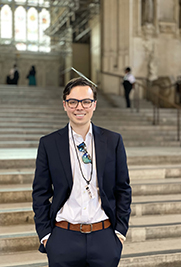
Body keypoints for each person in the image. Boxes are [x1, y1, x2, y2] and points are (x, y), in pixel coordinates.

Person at [32, 77, 132, 267]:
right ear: (65, 105)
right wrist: (46, 236)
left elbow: (123, 189)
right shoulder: (49, 144)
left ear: (94, 105)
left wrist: (119, 232)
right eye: (73, 102)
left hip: (104, 237)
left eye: (86, 101)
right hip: (63, 238)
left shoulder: (113, 141)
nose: (80, 107)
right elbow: (40, 193)